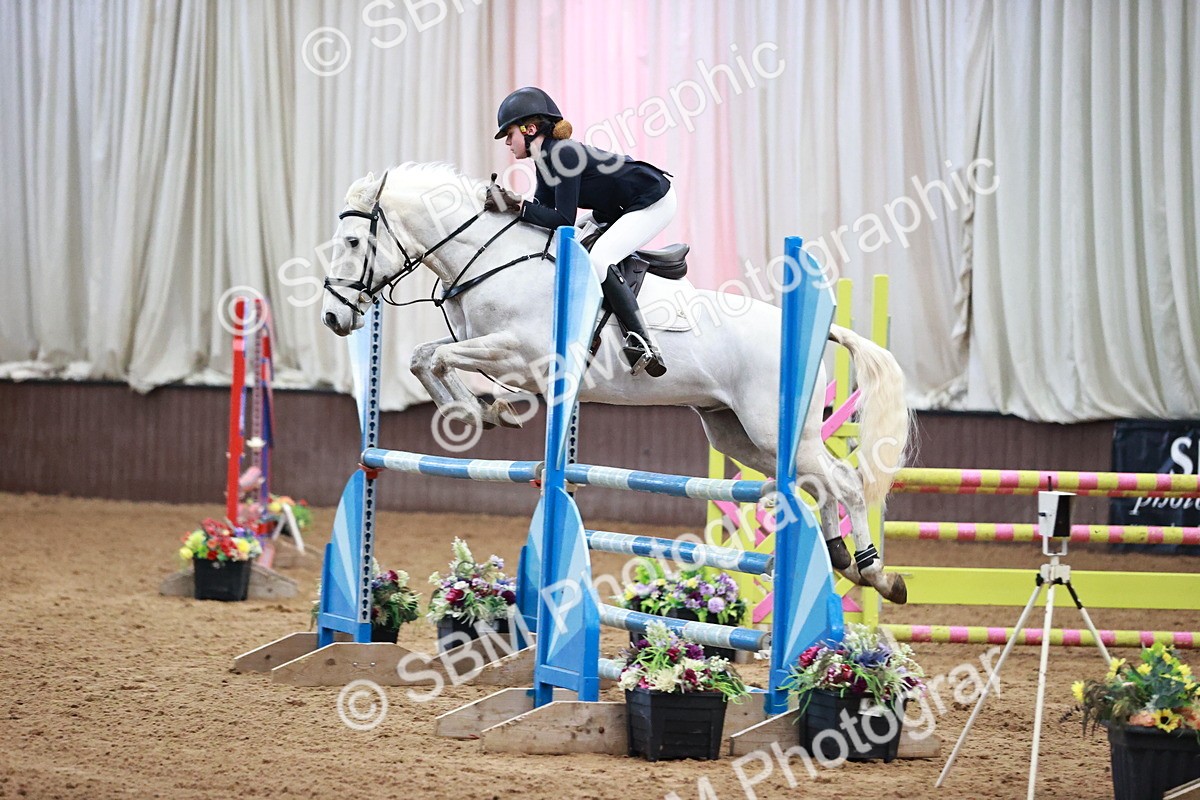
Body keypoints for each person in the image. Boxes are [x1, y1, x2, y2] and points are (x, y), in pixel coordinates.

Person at [488, 86, 675, 377]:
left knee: (600, 259)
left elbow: (561, 219)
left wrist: (518, 206)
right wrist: (508, 206)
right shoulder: (544, 158)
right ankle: (591, 334)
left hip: (653, 200)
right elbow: (542, 209)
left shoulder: (563, 154)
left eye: (509, 135)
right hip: (619, 206)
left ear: (529, 128)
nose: (507, 143)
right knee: (579, 243)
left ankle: (642, 342)